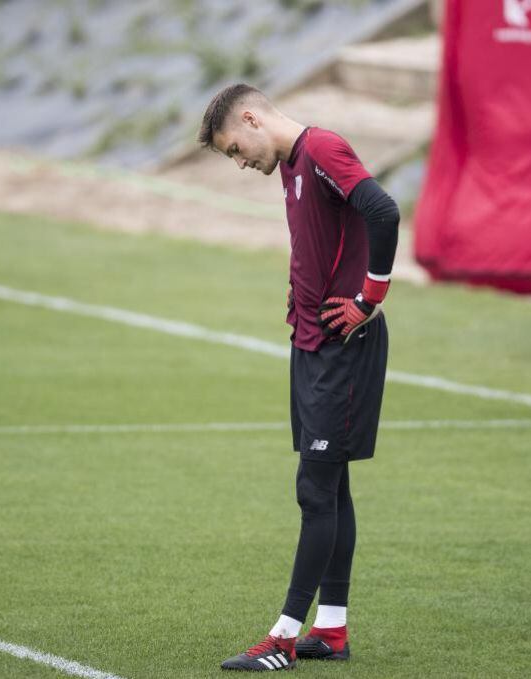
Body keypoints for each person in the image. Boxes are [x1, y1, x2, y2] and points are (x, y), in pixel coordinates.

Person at [197, 83, 399, 672]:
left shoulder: (323, 149)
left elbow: (382, 210)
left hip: (344, 347)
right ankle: (330, 630)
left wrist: (371, 294)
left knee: (313, 490)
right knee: (330, 488)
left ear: (253, 119)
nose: (240, 162)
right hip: (312, 345)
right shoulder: (292, 167)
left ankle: (284, 636)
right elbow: (319, 242)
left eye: (236, 148)